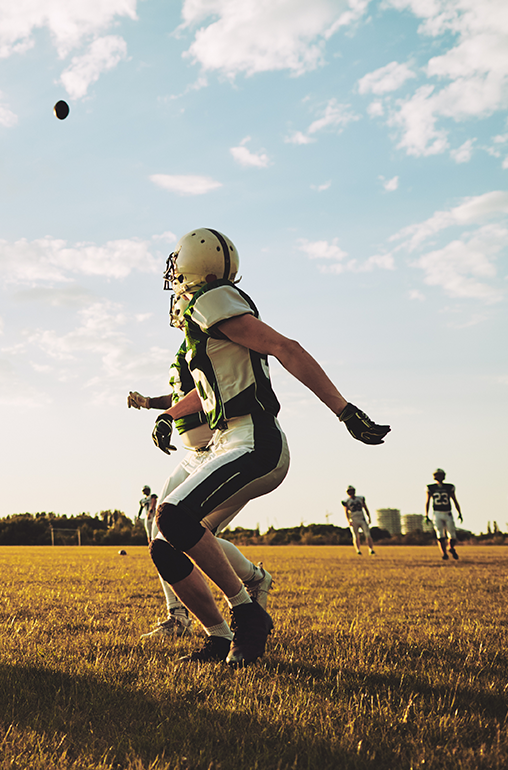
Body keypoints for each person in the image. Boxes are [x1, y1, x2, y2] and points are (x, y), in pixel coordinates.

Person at [143, 228, 389, 667]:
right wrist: (169, 413)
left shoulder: (209, 300)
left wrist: (344, 410)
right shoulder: (203, 320)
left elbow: (283, 347)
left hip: (254, 440)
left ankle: (247, 612)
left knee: (173, 517)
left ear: (190, 264)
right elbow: (211, 389)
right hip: (227, 441)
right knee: (164, 542)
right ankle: (218, 637)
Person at [128, 339, 273, 640]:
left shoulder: (211, 337)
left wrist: (166, 415)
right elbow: (182, 396)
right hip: (193, 454)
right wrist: (150, 403)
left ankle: (253, 579)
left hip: (220, 449)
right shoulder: (188, 343)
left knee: (193, 535)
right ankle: (177, 615)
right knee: (161, 538)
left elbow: (212, 389)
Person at [425, 468, 462, 560]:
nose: (439, 477)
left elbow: (454, 500)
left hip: (447, 512)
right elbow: (427, 501)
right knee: (440, 534)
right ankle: (444, 553)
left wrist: (459, 512)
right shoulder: (431, 487)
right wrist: (426, 514)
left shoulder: (449, 487)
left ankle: (451, 548)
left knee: (452, 535)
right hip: (437, 513)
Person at [342, 485, 376, 555]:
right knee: (356, 536)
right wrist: (348, 520)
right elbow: (346, 511)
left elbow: (365, 508)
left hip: (362, 518)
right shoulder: (347, 501)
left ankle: (371, 549)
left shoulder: (360, 498)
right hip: (353, 519)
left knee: (367, 535)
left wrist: (368, 517)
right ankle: (358, 550)